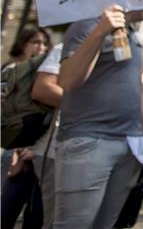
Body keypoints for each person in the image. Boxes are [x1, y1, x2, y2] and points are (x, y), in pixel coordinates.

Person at [54, 5, 143, 229]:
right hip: (90, 141)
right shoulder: (86, 25)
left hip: (129, 144)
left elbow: (137, 89)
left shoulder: (133, 35)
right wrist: (100, 31)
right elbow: (68, 81)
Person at [1, 26, 51, 229]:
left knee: (34, 213)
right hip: (11, 145)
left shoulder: (45, 74)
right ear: (22, 44)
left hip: (35, 149)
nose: (41, 48)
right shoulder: (9, 70)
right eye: (35, 42)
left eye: (44, 44)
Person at [30, 43, 64, 229]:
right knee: (54, 220)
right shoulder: (66, 47)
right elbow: (42, 89)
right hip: (54, 151)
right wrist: (88, 106)